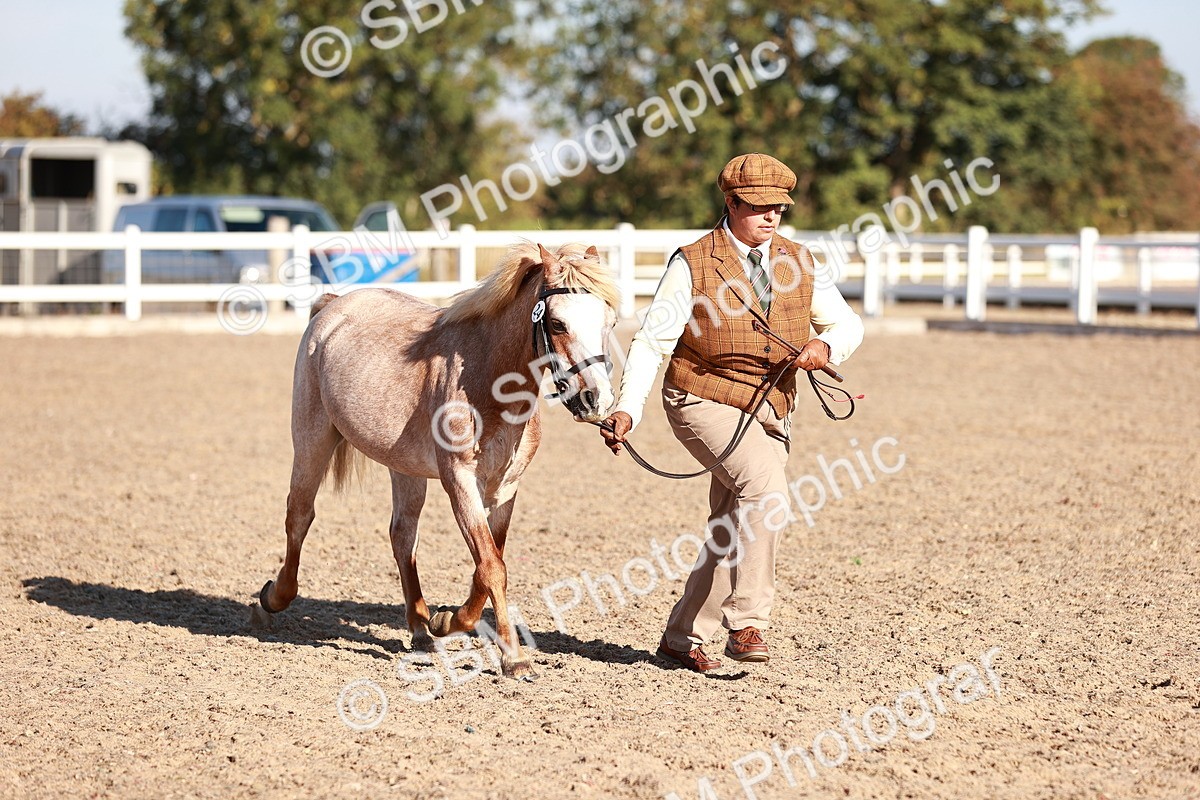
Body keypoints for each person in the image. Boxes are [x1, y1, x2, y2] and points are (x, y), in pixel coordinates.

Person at [599, 153, 864, 673]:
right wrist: (628, 409)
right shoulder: (692, 262)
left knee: (734, 520)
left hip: (770, 405)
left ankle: (682, 638)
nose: (771, 216)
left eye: (779, 208)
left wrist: (825, 347)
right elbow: (652, 342)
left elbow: (847, 324)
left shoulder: (799, 260)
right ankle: (747, 622)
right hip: (701, 398)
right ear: (731, 203)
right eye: (760, 206)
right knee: (766, 492)